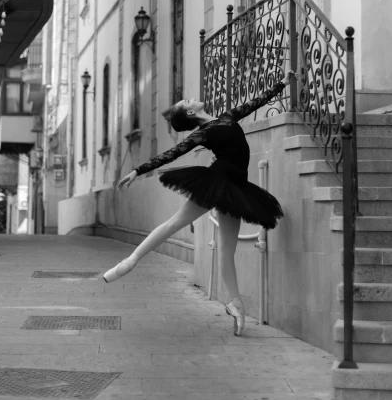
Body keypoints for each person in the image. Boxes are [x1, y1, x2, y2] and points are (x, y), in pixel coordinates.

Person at [103, 71, 296, 336]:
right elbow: (172, 154)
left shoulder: (227, 117)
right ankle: (131, 261)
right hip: (217, 183)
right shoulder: (203, 133)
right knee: (175, 222)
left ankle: (236, 303)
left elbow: (255, 103)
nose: (193, 98)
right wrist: (138, 170)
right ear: (191, 114)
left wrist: (282, 84)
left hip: (237, 189)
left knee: (227, 251)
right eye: (188, 101)